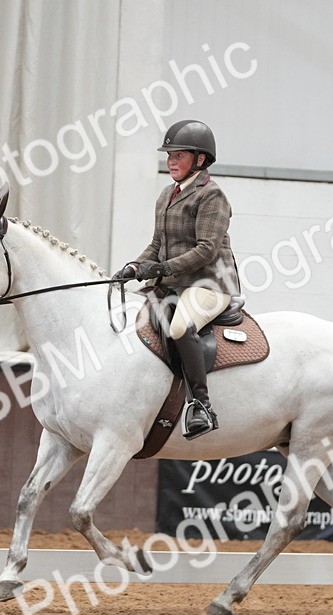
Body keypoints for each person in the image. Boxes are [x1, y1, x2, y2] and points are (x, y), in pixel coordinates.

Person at [114, 119, 241, 440]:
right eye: (169, 155)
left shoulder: (212, 197)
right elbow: (157, 245)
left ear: (199, 160)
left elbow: (206, 250)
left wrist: (161, 269)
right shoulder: (166, 195)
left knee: (180, 326)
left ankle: (201, 404)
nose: (171, 161)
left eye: (179, 155)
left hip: (210, 284)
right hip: (172, 284)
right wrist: (134, 266)